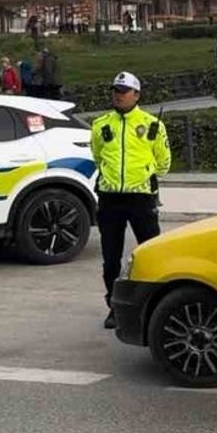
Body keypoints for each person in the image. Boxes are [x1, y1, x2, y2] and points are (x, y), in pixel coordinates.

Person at [90, 71, 171, 329]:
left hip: (141, 198)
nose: (118, 95)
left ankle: (156, 306)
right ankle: (114, 307)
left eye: (123, 91)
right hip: (110, 198)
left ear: (136, 95)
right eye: (115, 90)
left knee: (152, 253)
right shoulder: (101, 124)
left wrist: (145, 176)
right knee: (111, 257)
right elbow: (98, 155)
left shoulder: (152, 125)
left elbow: (164, 162)